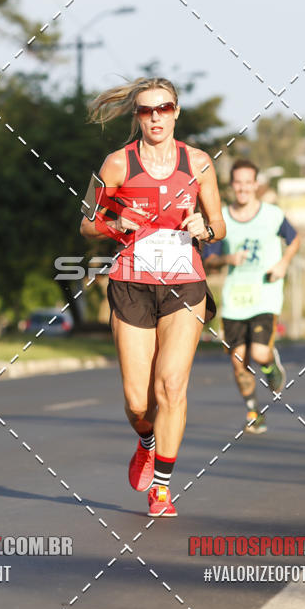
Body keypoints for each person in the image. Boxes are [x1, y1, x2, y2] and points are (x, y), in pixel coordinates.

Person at [80, 78, 225, 517]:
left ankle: (161, 487)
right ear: (137, 117)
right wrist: (115, 222)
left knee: (172, 386)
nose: (156, 116)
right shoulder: (116, 165)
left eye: (164, 108)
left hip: (184, 283)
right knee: (138, 401)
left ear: (177, 112)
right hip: (131, 283)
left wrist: (207, 229)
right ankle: (146, 441)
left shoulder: (198, 163)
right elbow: (86, 222)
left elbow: (218, 224)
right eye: (146, 110)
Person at [204, 159, 299, 434]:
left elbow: (294, 240)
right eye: (238, 183)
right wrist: (227, 258)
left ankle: (271, 367)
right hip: (235, 300)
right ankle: (253, 412)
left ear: (255, 184)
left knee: (258, 352)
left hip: (265, 295)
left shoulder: (272, 214)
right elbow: (209, 260)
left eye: (248, 182)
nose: (243, 188)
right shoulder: (221, 218)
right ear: (232, 185)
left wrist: (283, 264)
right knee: (238, 360)